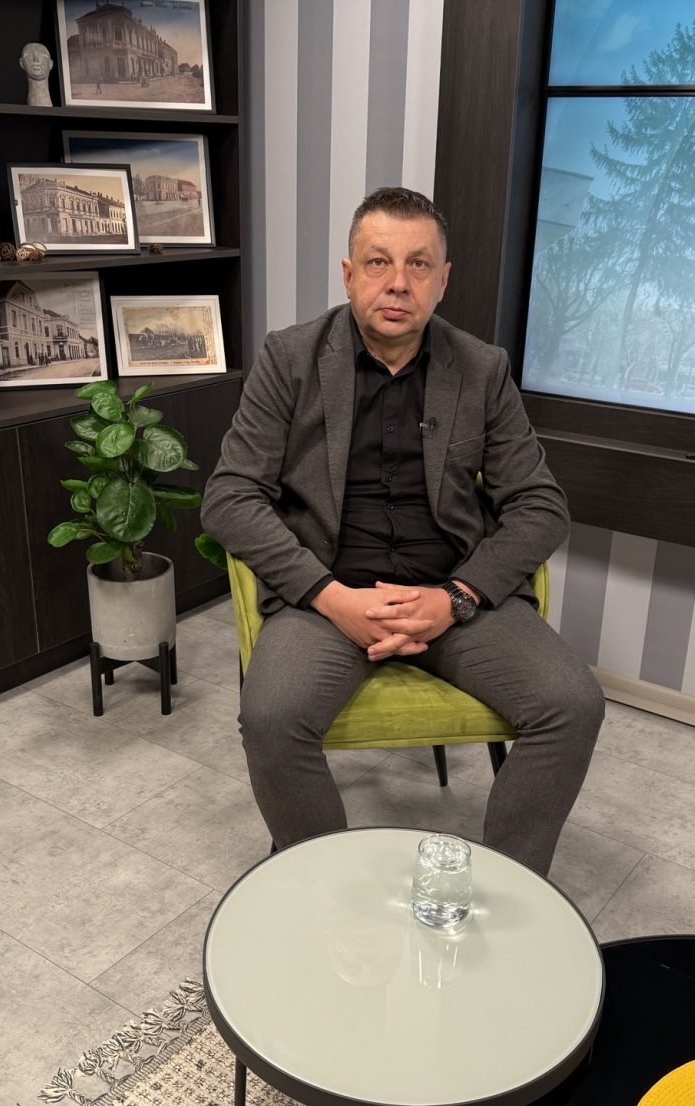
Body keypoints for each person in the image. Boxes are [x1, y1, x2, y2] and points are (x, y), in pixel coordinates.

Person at [201, 187, 604, 876]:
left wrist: (456, 598)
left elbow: (541, 505)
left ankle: (509, 888)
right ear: (348, 273)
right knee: (270, 718)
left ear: (442, 280)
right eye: (378, 261)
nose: (398, 282)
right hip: (329, 597)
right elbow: (229, 496)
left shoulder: (481, 369)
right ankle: (317, 879)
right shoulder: (289, 359)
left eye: (418, 264)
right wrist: (331, 597)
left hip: (452, 597)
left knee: (572, 705)